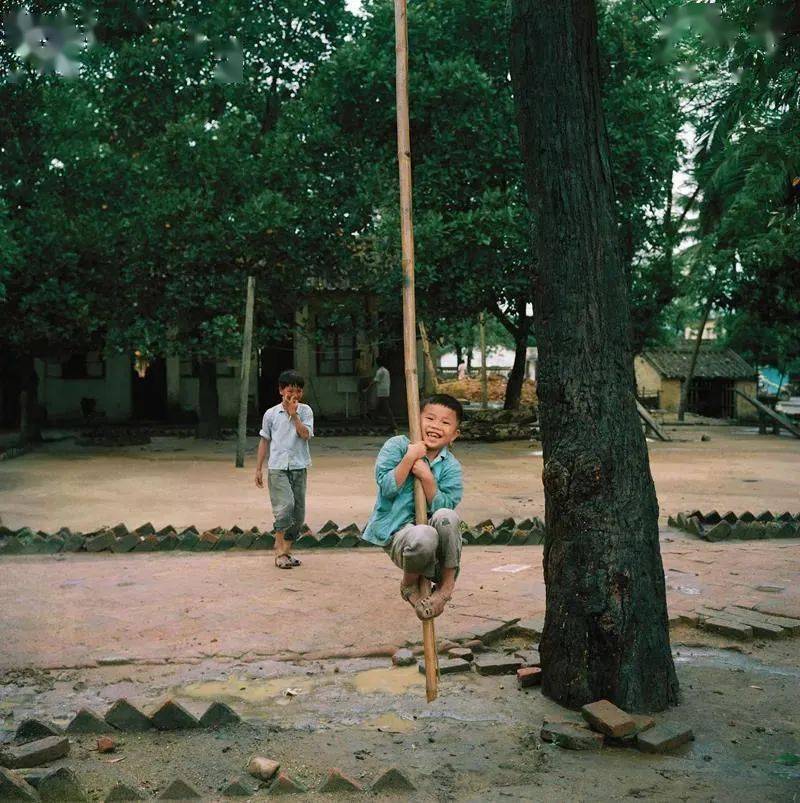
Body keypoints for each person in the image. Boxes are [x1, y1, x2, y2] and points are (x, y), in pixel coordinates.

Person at [362, 394, 464, 619]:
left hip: (437, 551)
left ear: (455, 434)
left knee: (447, 516)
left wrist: (427, 479)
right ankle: (409, 585)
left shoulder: (452, 468)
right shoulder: (397, 446)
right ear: (416, 420)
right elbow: (387, 487)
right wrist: (408, 459)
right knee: (424, 534)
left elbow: (446, 507)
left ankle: (446, 588)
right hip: (402, 539)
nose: (436, 426)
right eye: (430, 418)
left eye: (445, 422)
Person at [255, 369, 314, 570]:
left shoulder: (305, 411)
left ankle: (286, 551)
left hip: (299, 467)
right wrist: (258, 469)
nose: (294, 395)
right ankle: (279, 552)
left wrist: (294, 415)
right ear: (281, 391)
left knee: (298, 515)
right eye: (290, 390)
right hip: (278, 468)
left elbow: (305, 435)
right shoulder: (270, 414)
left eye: (298, 391)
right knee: (285, 508)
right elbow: (264, 441)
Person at [364, 358, 397, 432]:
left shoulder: (380, 371)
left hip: (382, 392)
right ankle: (373, 423)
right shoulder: (386, 371)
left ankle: (393, 425)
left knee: (385, 408)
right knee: (379, 408)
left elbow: (375, 381)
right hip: (385, 391)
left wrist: (367, 388)